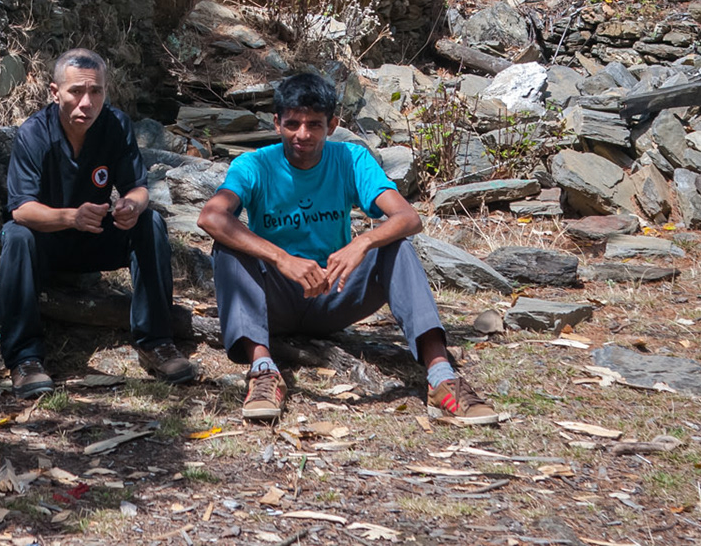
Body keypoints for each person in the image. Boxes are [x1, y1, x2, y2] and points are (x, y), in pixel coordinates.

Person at [198, 72, 501, 425]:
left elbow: (408, 217)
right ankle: (263, 369)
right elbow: (211, 217)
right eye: (293, 123)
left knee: (396, 247)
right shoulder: (254, 164)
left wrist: (363, 241)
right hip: (273, 299)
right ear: (276, 122)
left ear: (333, 125)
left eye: (314, 124)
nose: (303, 135)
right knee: (228, 249)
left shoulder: (351, 159)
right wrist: (282, 258)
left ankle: (441, 376)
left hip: (334, 293)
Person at [0, 49, 199, 398]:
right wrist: (70, 217)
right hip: (49, 240)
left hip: (95, 236)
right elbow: (21, 210)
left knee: (150, 222)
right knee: (15, 236)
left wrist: (131, 206)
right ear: (54, 91)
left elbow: (138, 187)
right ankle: (25, 359)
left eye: (96, 92)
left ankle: (157, 342)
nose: (86, 102)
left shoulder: (115, 124)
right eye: (76, 91)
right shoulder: (33, 134)